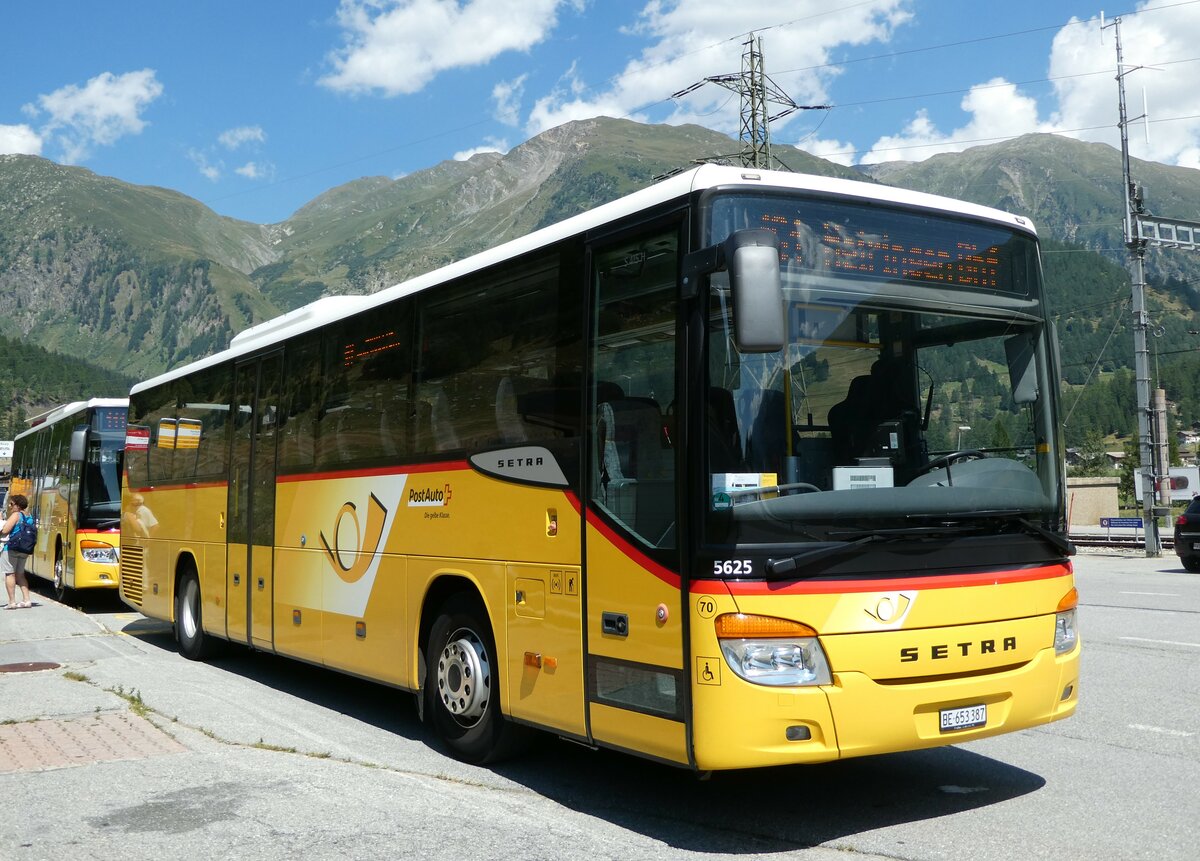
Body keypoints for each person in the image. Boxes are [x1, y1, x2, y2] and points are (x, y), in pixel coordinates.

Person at [2, 494, 34, 609]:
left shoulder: (16, 515)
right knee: (20, 574)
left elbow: (5, 530)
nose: (10, 506)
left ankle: (12, 602)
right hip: (24, 549)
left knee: (10, 574)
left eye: (11, 504)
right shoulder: (29, 516)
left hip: (12, 548)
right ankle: (27, 600)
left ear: (18, 505)